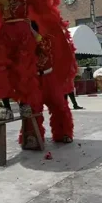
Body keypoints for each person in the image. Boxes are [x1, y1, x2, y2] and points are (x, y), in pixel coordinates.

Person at [19, 21, 74, 149]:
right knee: (32, 109)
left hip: (50, 78)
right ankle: (32, 137)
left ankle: (64, 133)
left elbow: (44, 48)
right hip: (34, 80)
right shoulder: (25, 45)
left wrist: (33, 33)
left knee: (59, 105)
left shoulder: (47, 40)